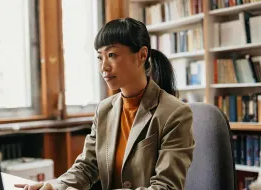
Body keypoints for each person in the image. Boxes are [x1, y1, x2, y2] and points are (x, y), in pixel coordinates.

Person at [15, 17, 195, 190]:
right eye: (100, 58)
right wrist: (55, 186)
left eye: (111, 55)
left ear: (141, 55)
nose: (104, 67)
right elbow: (87, 167)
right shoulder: (104, 109)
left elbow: (166, 187)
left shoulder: (175, 113)